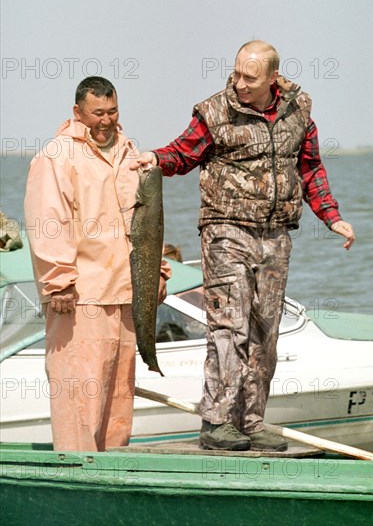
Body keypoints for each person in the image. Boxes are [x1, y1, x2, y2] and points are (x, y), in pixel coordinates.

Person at [130, 40, 355, 452]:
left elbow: (310, 168)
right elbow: (183, 153)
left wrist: (332, 216)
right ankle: (216, 422)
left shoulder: (298, 111)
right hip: (225, 231)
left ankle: (251, 422)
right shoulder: (215, 111)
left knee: (265, 332)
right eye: (236, 73)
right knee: (229, 326)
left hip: (275, 236)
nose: (239, 83)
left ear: (272, 78)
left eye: (249, 77)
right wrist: (153, 158)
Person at [24, 76, 170, 452]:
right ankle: (76, 477)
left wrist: (158, 273)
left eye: (112, 111)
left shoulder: (130, 152)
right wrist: (58, 282)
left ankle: (111, 482)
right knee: (79, 401)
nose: (106, 121)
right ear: (77, 112)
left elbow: (148, 222)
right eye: (97, 113)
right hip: (79, 298)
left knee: (118, 405)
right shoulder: (56, 157)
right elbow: (47, 221)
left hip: (125, 296)